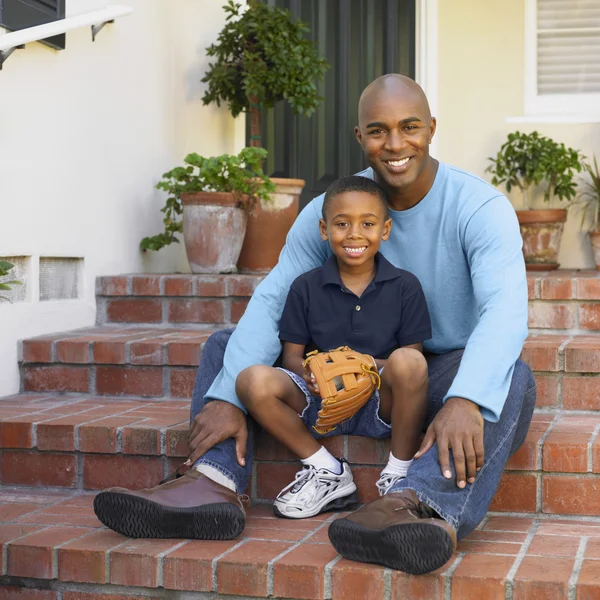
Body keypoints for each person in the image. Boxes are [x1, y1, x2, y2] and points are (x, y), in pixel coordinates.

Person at [93, 74, 536, 576]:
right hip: (329, 371)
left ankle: (422, 508)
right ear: (359, 136)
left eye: (409, 127)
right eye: (378, 130)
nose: (395, 145)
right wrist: (226, 397)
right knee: (226, 347)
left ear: (432, 128)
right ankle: (213, 482)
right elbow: (275, 298)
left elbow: (505, 313)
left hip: (425, 373)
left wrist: (465, 398)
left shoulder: (479, 208)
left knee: (510, 380)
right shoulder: (332, 211)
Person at [236, 175, 432, 519]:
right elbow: (291, 357)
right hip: (319, 398)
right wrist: (312, 372)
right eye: (342, 224)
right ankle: (327, 471)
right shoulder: (305, 287)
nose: (355, 234)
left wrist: (362, 365)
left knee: (409, 363)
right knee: (252, 379)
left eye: (367, 224)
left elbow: (411, 360)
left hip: (378, 404)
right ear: (324, 230)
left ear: (384, 230)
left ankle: (400, 475)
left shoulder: (406, 287)